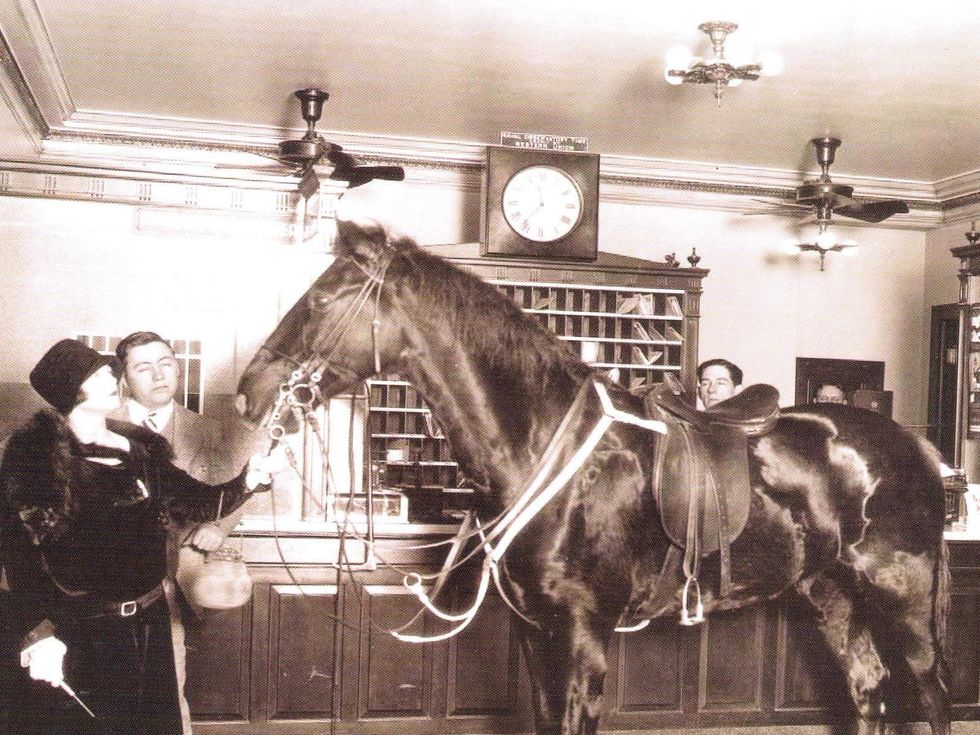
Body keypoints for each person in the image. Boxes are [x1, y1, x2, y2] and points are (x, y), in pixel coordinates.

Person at [0, 339, 276, 735]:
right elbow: (19, 555)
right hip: (83, 634)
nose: (111, 377)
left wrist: (249, 478)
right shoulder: (32, 457)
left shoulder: (138, 447)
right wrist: (38, 635)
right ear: (68, 391)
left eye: (108, 370)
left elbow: (197, 502)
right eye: (96, 375)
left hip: (151, 620)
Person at [110, 330, 261, 734]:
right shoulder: (101, 427)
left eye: (165, 364)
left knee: (167, 690)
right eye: (144, 367)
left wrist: (217, 526)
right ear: (124, 378)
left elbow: (238, 489)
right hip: (108, 586)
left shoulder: (207, 431)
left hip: (178, 581)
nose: (158, 375)